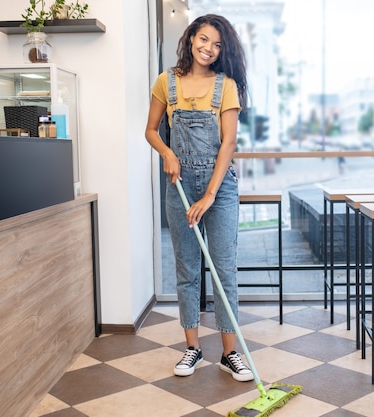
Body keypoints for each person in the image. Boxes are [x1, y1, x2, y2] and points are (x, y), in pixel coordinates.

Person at [145, 14, 252, 382]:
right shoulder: (166, 82)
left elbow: (229, 143)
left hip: (218, 188)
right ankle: (192, 348)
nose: (209, 48)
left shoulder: (227, 86)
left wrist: (208, 194)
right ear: (191, 38)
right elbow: (150, 131)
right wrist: (167, 153)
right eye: (204, 39)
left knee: (224, 270)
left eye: (217, 44)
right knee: (187, 269)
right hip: (179, 184)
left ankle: (229, 354)